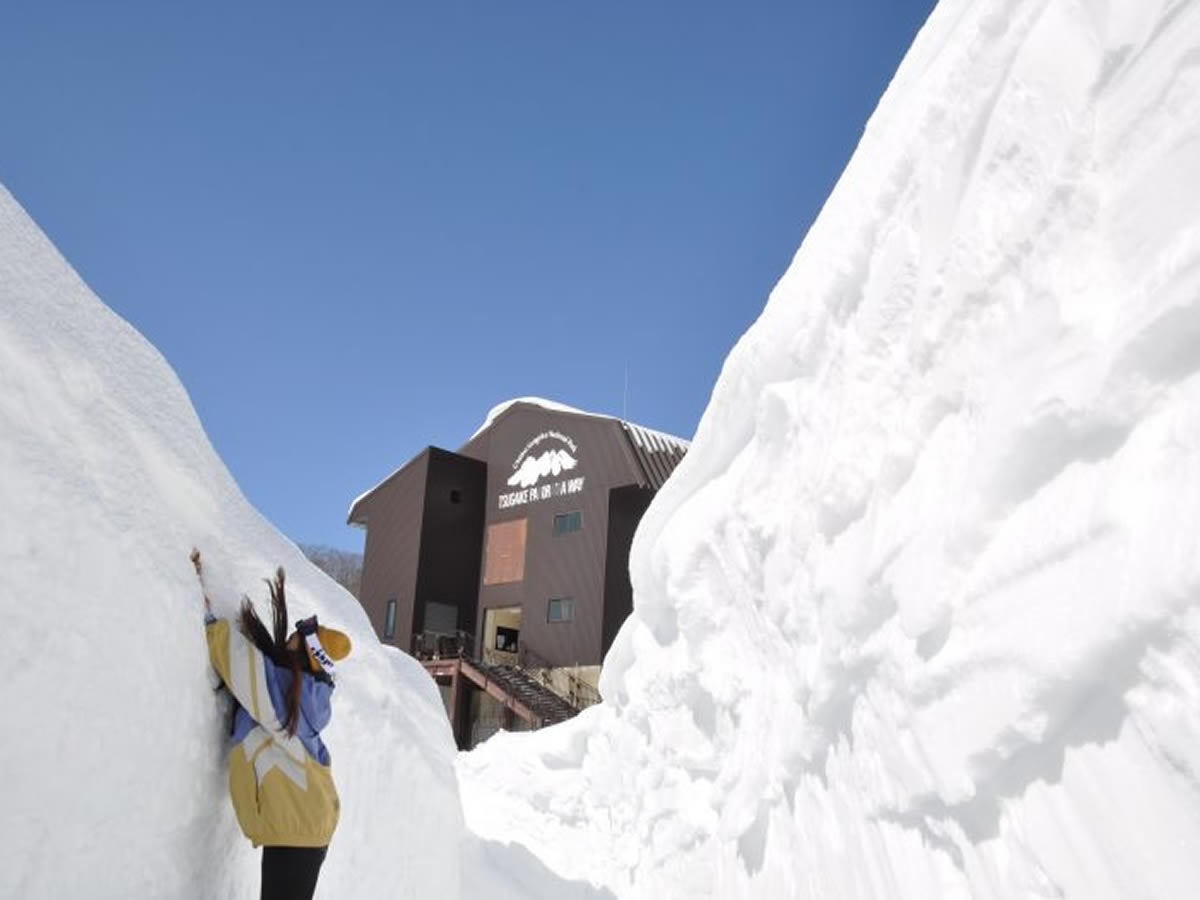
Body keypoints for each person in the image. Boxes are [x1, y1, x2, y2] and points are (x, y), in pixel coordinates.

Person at [191, 550, 351, 900]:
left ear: (305, 656)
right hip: (305, 825)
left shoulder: (285, 692)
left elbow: (243, 667)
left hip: (300, 827)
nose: (287, 639)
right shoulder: (302, 696)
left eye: (295, 639)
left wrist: (209, 620)